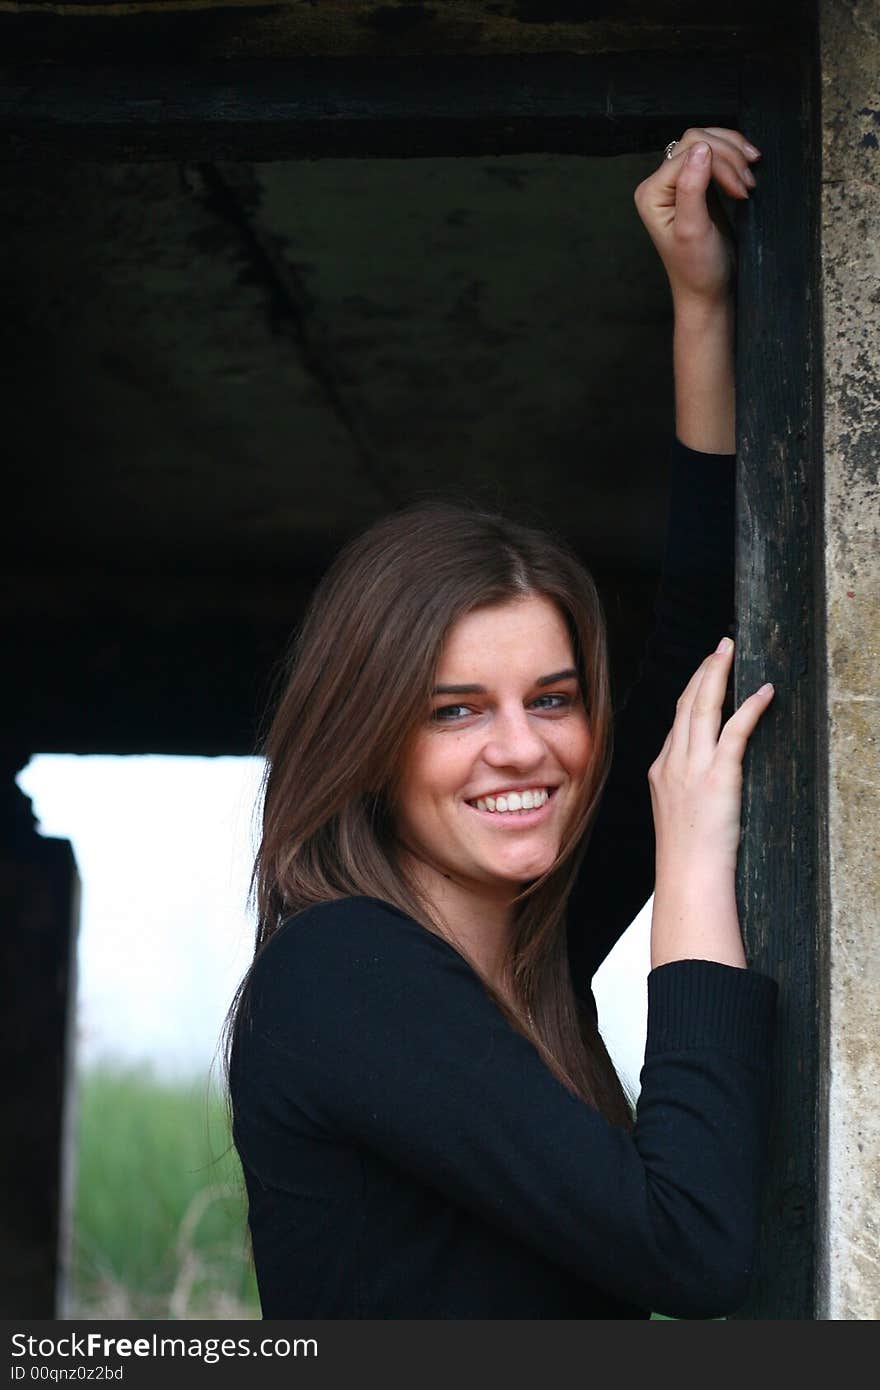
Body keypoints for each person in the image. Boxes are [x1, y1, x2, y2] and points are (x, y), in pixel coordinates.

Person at [226, 128, 778, 1320]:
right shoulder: (344, 974)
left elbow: (711, 636)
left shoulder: (528, 949)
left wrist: (701, 307)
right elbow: (691, 1245)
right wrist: (688, 862)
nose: (521, 748)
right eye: (454, 711)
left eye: (553, 698)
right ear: (370, 739)